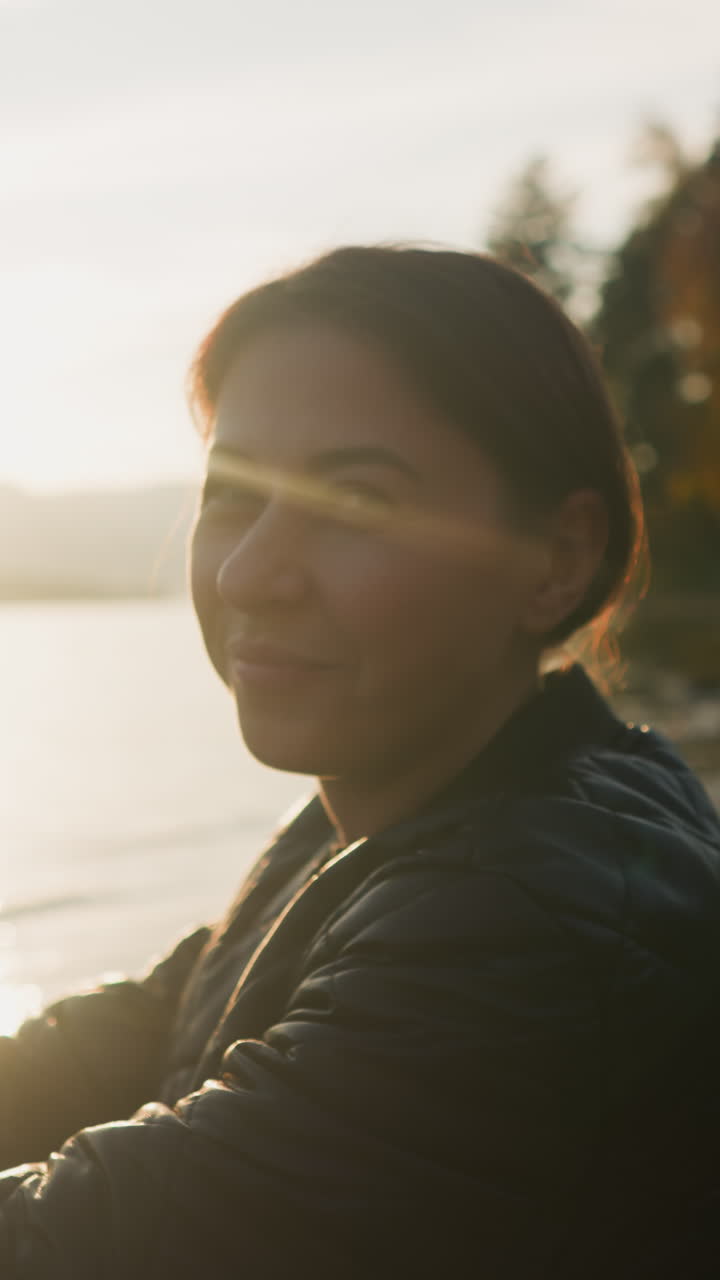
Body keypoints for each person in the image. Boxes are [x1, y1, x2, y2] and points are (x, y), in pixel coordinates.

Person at [0, 244, 719, 1278]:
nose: (251, 573)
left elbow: (90, 1242)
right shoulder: (402, 809)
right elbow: (131, 1030)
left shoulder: (538, 916)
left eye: (355, 503)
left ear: (557, 557)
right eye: (235, 496)